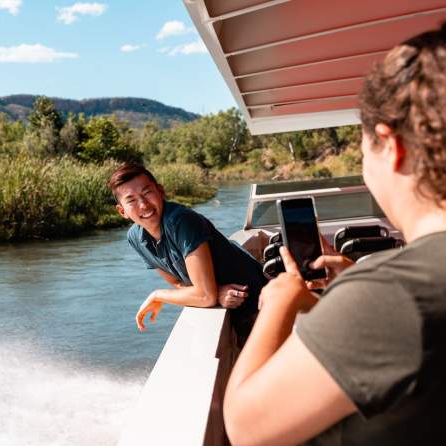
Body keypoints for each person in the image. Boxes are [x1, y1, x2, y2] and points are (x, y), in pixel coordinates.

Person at [223, 25, 446, 445]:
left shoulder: (394, 294)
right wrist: (354, 282)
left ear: (391, 144)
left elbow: (246, 427)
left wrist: (278, 302)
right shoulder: (390, 292)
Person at [109, 163, 267, 342]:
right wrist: (215, 292)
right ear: (122, 211)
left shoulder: (181, 221)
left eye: (147, 193)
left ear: (160, 191)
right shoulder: (136, 238)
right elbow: (178, 283)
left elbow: (205, 297)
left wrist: (158, 295)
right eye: (131, 200)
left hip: (263, 304)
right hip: (236, 313)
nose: (143, 205)